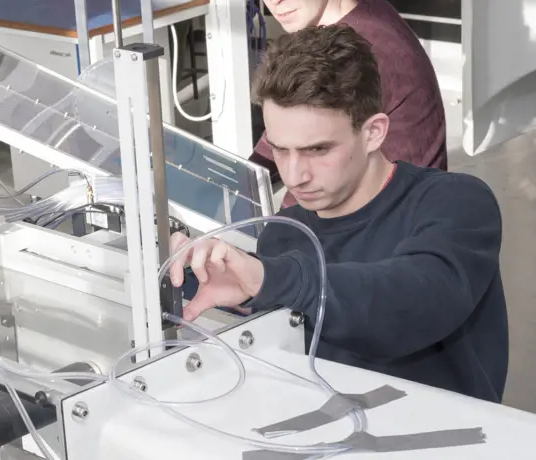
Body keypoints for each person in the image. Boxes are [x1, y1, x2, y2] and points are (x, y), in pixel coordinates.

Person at [169, 25, 508, 403]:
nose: (295, 176)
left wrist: (277, 279)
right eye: (281, 150)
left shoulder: (454, 203)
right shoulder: (285, 236)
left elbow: (413, 302)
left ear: (373, 133)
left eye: (318, 150)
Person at [253, 0, 447, 209]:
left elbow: (306, 200)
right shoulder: (359, 15)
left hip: (390, 220)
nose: (274, 1)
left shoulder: (363, 53)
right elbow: (291, 131)